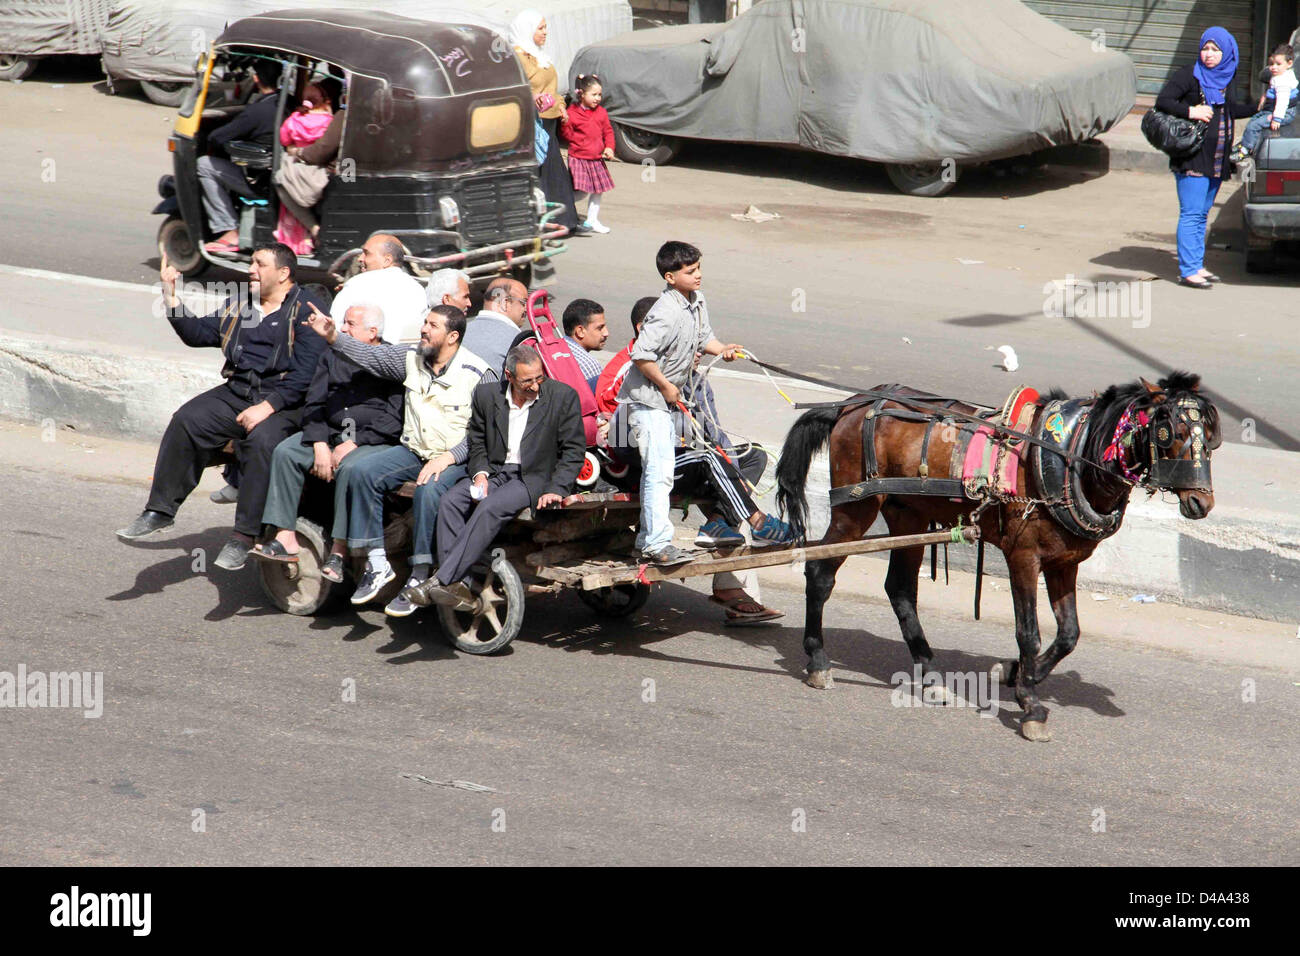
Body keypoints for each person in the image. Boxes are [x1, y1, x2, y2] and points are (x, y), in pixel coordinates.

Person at [116, 243, 328, 570]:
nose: (251, 270)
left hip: (287, 400)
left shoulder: (306, 309)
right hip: (239, 390)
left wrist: (268, 407)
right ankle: (160, 511)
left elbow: (306, 374)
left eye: (260, 264)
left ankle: (244, 535)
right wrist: (171, 295)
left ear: (283, 273)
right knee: (188, 420)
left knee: (262, 442)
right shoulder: (240, 305)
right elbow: (198, 333)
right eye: (251, 263)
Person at [602, 299, 783, 624]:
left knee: (741, 461)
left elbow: (709, 430)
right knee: (711, 462)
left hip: (683, 460)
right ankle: (754, 525)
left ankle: (719, 521)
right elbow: (624, 442)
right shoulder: (636, 377)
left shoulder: (686, 379)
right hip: (645, 468)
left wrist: (730, 466)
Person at [304, 304, 488, 616]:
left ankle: (419, 574)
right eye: (424, 323)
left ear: (453, 336)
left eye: (432, 325)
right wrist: (334, 335)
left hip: (454, 461)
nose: (424, 330)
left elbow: (484, 431)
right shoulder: (412, 357)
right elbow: (371, 357)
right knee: (361, 470)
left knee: (429, 490)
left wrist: (449, 457)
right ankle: (377, 563)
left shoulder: (478, 373)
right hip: (413, 451)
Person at [618, 241, 794, 564]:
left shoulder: (697, 302)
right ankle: (657, 545)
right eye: (690, 271)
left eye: (699, 268)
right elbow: (641, 355)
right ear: (670, 277)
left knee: (666, 470)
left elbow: (705, 339)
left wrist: (724, 349)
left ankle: (650, 539)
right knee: (660, 472)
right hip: (645, 403)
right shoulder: (665, 310)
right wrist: (667, 386)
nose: (698, 275)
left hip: (665, 401)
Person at [409, 345, 585, 610]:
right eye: (527, 381)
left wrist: (557, 487)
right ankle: (461, 583)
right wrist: (479, 474)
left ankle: (443, 580)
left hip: (531, 478)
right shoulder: (486, 395)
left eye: (540, 378)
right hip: (495, 471)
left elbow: (573, 451)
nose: (535, 386)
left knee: (490, 507)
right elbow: (476, 441)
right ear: (509, 376)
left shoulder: (562, 397)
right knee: (450, 501)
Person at [251, 303, 404, 566]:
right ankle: (284, 535)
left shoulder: (390, 362)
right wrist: (320, 443)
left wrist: (354, 442)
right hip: (330, 433)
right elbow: (315, 402)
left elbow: (393, 418)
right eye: (342, 322)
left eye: (350, 325)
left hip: (369, 440)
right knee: (286, 452)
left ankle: (340, 549)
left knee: (350, 467)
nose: (342, 328)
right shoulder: (331, 354)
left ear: (373, 332)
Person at [1155, 27, 1255, 288]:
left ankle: (1196, 265)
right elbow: (1163, 101)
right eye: (1205, 48)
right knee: (1191, 212)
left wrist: (1259, 107)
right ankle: (1188, 271)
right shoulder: (1190, 74)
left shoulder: (1226, 77)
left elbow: (1230, 110)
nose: (1209, 54)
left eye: (1215, 49)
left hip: (1218, 157)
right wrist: (1191, 111)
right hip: (1193, 156)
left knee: (1202, 213)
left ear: (1228, 53)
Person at [510, 9, 582, 234]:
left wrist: (561, 105)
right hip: (533, 123)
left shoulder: (540, 54)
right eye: (540, 28)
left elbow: (551, 87)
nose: (545, 32)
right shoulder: (518, 56)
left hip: (549, 121)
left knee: (553, 171)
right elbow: (516, 88)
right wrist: (534, 97)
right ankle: (550, 222)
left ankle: (563, 221)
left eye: (545, 27)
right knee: (542, 172)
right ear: (527, 30)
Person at [200, 60, 282, 254]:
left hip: (260, 181)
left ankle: (229, 229)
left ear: (255, 79)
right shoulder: (285, 103)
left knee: (203, 164)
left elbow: (216, 137)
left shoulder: (257, 111)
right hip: (275, 174)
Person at [328, 234, 429, 344]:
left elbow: (333, 328)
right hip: (404, 357)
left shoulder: (357, 284)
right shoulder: (418, 289)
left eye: (366, 253)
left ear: (387, 260)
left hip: (360, 356)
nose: (360, 259)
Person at [273, 80, 335, 254]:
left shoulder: (294, 119)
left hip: (297, 171)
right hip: (318, 173)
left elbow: (284, 140)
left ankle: (309, 231)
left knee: (279, 178)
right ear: (325, 101)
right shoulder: (329, 121)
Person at [559, 73, 616, 233]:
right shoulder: (573, 112)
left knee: (598, 190)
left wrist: (609, 147)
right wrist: (565, 123)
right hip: (579, 158)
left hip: (596, 159)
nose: (597, 98)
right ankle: (562, 205)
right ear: (581, 94)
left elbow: (608, 132)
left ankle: (592, 220)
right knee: (582, 191)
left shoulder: (601, 113)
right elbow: (568, 136)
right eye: (594, 94)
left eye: (599, 94)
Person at [1231, 44, 1298, 162]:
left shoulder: (1284, 82)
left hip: (1283, 113)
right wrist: (1264, 97)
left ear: (1289, 63)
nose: (1273, 67)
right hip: (1274, 110)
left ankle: (1245, 150)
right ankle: (1247, 142)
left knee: (1254, 125)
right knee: (1254, 119)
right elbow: (1272, 88)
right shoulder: (1280, 75)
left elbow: (1282, 101)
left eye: (1278, 64)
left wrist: (1276, 118)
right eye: (1271, 64)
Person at [462, 276, 528, 375]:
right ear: (505, 303)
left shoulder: (459, 332)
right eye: (523, 302)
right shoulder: (519, 341)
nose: (526, 309)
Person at [560, 297, 607, 388]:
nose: (606, 333)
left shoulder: (555, 351)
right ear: (580, 331)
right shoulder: (590, 366)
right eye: (600, 328)